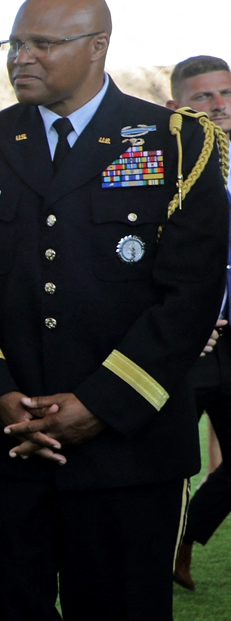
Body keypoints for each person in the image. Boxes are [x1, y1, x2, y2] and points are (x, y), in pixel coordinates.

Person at [0, 0, 228, 620]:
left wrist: (99, 404)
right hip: (9, 446)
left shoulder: (176, 142)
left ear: (98, 46)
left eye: (43, 43)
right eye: (15, 44)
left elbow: (188, 297)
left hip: (129, 452)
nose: (22, 57)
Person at [165, 55, 231, 590]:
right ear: (176, 108)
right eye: (202, 97)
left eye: (225, 94)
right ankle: (151, 551)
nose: (217, 106)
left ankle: (185, 537)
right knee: (165, 461)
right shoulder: (157, 168)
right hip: (186, 342)